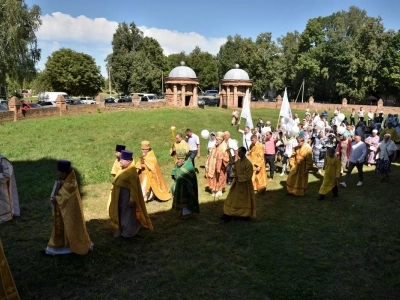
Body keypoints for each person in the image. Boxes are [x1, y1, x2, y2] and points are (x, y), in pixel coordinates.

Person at [46, 160, 93, 255]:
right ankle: (63, 243)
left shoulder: (70, 183)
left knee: (70, 226)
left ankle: (70, 245)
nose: (57, 173)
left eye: (59, 172)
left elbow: (66, 197)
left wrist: (56, 198)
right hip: (64, 209)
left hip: (70, 212)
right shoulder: (67, 180)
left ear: (64, 173)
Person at [109, 150, 153, 238]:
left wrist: (132, 200)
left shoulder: (132, 172)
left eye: (122, 160)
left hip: (127, 198)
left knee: (127, 215)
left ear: (128, 161)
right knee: (121, 213)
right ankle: (120, 229)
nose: (120, 161)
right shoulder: (123, 169)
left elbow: (134, 189)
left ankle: (128, 232)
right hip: (120, 197)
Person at [220, 147, 256, 223]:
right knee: (232, 199)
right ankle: (228, 213)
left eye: (240, 152)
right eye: (238, 152)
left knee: (243, 200)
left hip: (245, 186)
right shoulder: (238, 162)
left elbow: (248, 176)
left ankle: (244, 214)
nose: (238, 154)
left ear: (243, 153)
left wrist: (237, 176)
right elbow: (235, 170)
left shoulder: (248, 164)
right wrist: (233, 170)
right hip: (236, 185)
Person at [171, 148, 199, 219]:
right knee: (180, 197)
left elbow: (185, 174)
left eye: (179, 159)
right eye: (177, 158)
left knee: (186, 199)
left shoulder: (189, 165)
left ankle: (187, 213)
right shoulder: (179, 163)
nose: (178, 160)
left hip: (187, 188)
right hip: (180, 185)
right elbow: (175, 170)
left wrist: (179, 175)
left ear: (184, 158)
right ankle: (182, 212)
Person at [205, 132, 229, 197]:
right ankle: (214, 189)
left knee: (220, 178)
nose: (216, 140)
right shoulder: (215, 146)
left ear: (221, 140)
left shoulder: (224, 147)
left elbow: (226, 158)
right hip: (213, 165)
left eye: (217, 139)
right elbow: (210, 155)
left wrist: (220, 160)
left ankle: (219, 190)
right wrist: (208, 162)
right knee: (213, 177)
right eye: (216, 139)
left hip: (220, 167)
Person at [0, 154, 20, 223]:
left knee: (3, 202)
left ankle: (5, 216)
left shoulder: (2, 159)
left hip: (3, 187)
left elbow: (8, 173)